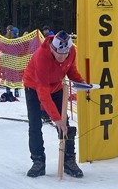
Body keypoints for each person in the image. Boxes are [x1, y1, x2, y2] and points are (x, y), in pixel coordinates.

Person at [23, 30, 86, 178]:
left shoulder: (71, 51)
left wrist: (81, 83)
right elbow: (43, 93)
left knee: (65, 124)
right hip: (34, 86)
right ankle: (38, 161)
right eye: (59, 55)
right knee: (35, 124)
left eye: (65, 55)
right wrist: (56, 119)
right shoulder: (41, 57)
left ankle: (69, 159)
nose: (63, 58)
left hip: (57, 85)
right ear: (52, 49)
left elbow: (71, 70)